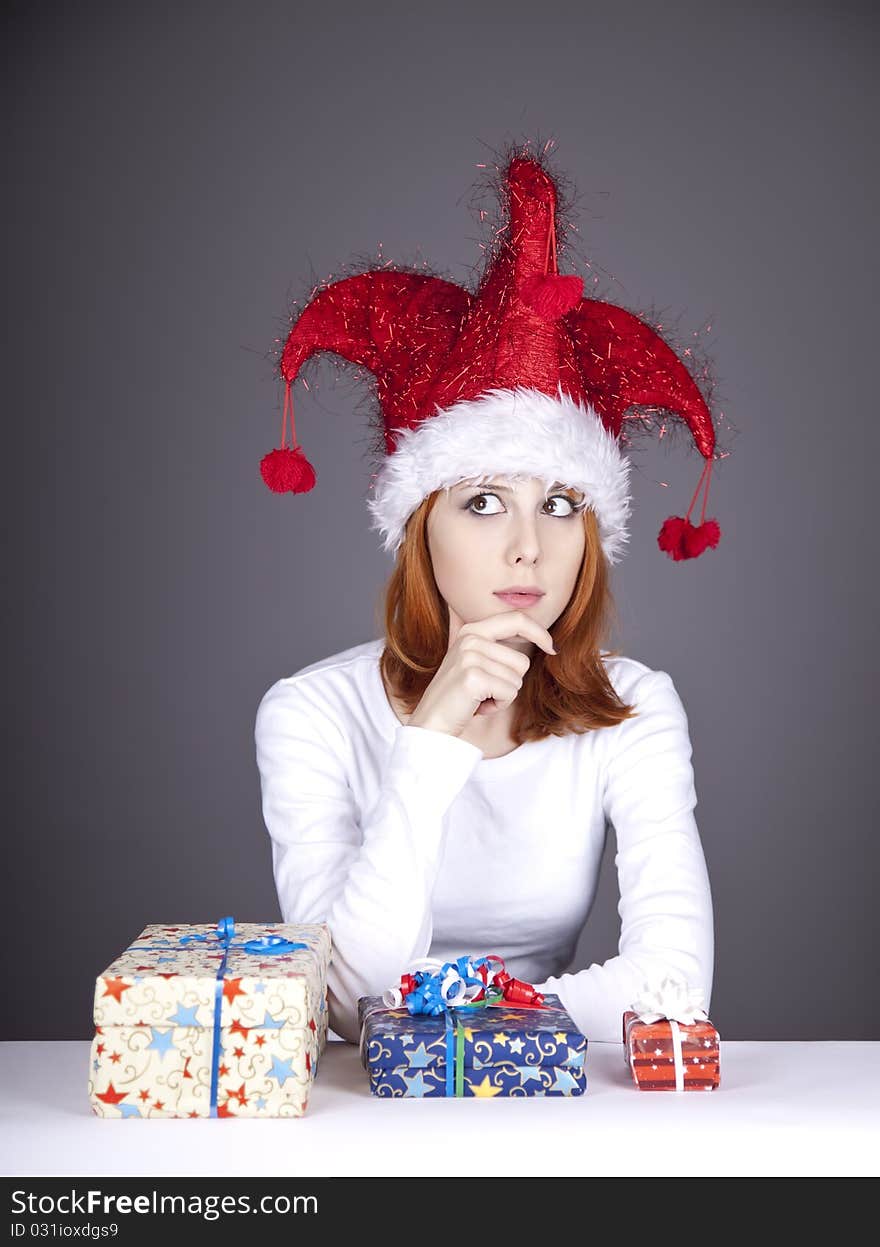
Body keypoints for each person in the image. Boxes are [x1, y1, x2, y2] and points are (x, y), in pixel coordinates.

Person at [254, 143, 727, 1045]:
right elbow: (345, 1002)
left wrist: (452, 1030)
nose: (527, 546)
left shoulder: (634, 708)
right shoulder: (311, 712)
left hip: (552, 1097)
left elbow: (673, 981)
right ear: (417, 526)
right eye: (481, 502)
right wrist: (428, 745)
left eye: (558, 504)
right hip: (373, 1117)